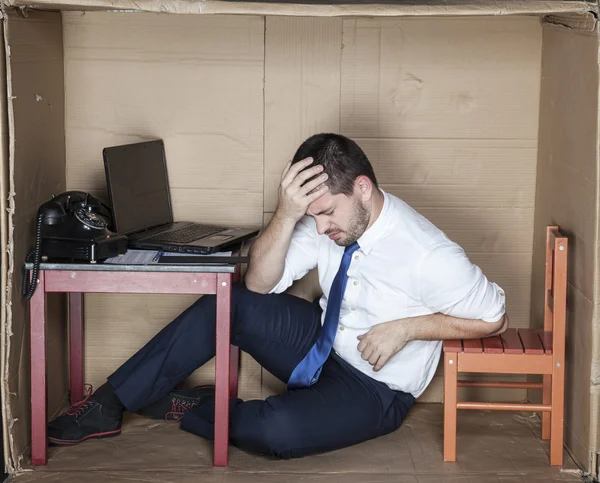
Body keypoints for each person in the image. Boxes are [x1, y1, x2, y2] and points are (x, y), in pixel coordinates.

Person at [47, 133, 508, 459]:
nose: (323, 228)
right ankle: (109, 402)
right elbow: (259, 285)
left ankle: (200, 407)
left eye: (327, 213)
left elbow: (495, 318)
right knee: (228, 302)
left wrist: (408, 328)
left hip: (375, 385)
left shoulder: (428, 254)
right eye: (314, 215)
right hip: (320, 341)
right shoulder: (325, 218)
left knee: (275, 433)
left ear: (362, 187)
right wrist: (288, 216)